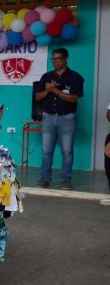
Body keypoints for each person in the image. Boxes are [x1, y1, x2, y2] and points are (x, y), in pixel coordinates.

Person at [33, 48, 83, 190]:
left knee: (67, 151)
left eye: (58, 59)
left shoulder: (75, 77)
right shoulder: (46, 77)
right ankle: (44, 179)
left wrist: (55, 90)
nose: (55, 61)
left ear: (66, 59)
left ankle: (66, 179)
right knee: (47, 150)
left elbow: (73, 99)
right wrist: (47, 90)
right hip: (48, 118)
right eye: (53, 59)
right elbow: (37, 97)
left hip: (67, 118)